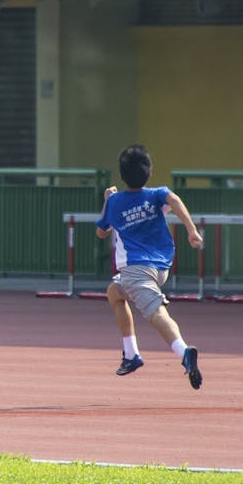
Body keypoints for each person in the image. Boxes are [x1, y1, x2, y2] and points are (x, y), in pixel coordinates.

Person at [95, 144, 204, 389]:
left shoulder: (115, 201)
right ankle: (131, 354)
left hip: (136, 269)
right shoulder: (155, 194)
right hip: (160, 267)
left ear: (122, 176)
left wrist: (107, 201)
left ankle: (184, 352)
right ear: (149, 172)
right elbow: (174, 199)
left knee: (156, 313)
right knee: (114, 292)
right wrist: (191, 230)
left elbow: (101, 232)